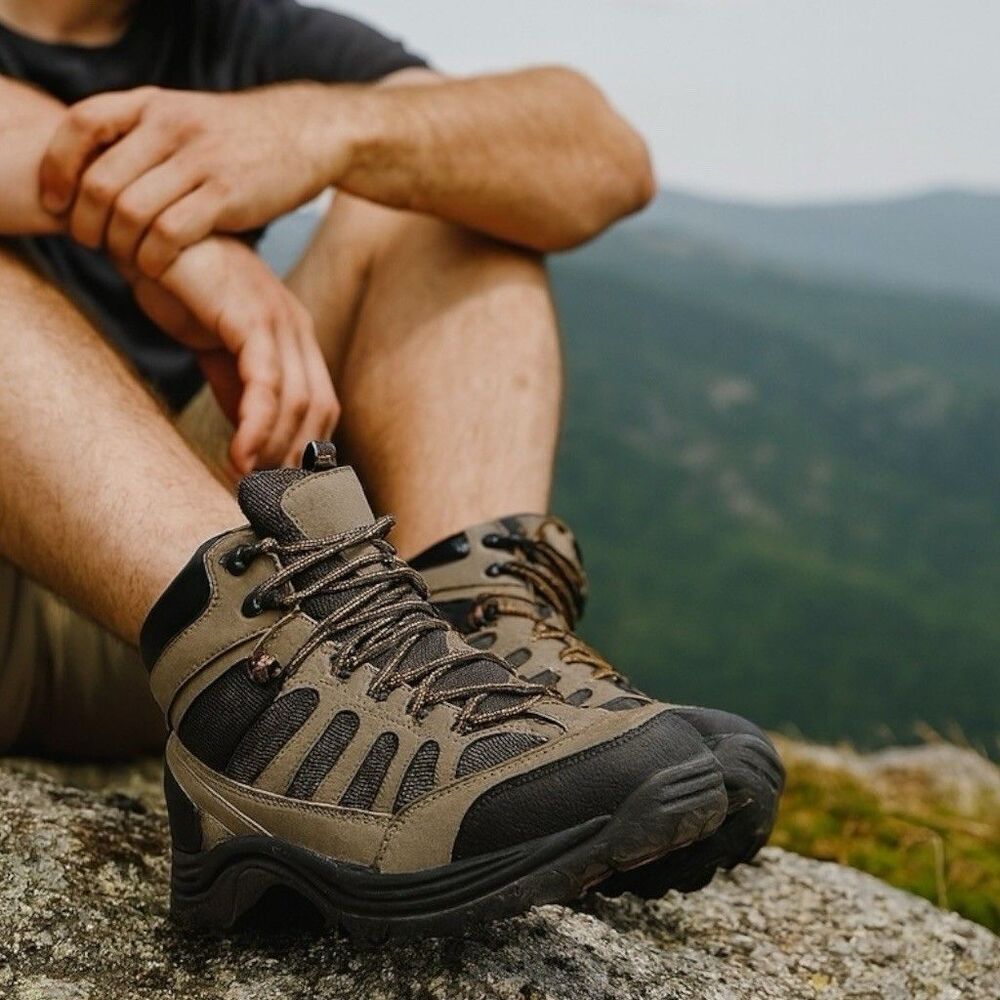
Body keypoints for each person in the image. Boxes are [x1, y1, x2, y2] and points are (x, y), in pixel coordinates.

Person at [0, 0, 782, 938]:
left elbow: (601, 156)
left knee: (444, 186)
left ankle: (470, 668)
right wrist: (181, 236)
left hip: (206, 623)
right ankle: (273, 716)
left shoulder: (238, 34)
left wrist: (317, 130)